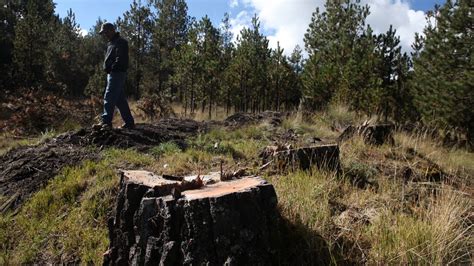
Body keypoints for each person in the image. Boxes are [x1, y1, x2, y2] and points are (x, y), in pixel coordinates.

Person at [95, 22, 135, 129]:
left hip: (117, 73)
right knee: (119, 100)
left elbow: (121, 58)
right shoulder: (111, 43)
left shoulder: (120, 42)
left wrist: (113, 68)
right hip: (112, 73)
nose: (105, 34)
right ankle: (129, 122)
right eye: (103, 33)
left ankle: (106, 122)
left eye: (106, 32)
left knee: (109, 95)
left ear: (112, 30)